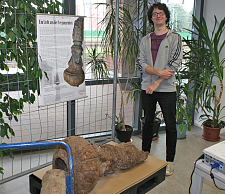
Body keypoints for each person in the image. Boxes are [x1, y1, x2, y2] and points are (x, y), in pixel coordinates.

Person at [136, 2, 182, 176]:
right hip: (147, 88)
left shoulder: (175, 38)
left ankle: (169, 161)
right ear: (151, 18)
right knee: (147, 123)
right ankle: (144, 155)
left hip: (167, 89)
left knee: (170, 126)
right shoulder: (145, 40)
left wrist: (156, 82)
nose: (158, 16)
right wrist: (157, 73)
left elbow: (174, 65)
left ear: (166, 16)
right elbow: (140, 64)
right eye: (155, 14)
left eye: (161, 13)